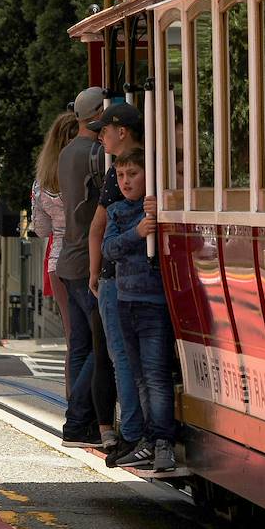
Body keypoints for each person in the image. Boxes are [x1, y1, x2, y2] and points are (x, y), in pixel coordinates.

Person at [102, 149, 178, 474]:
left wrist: (152, 220)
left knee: (156, 375)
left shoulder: (157, 207)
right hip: (125, 301)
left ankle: (163, 443)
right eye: (120, 176)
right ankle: (149, 439)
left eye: (132, 174)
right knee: (140, 377)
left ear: (148, 175)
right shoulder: (118, 211)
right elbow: (109, 248)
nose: (125, 181)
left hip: (153, 303)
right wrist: (137, 232)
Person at [86, 100, 146, 463]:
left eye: (104, 131)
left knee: (119, 355)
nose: (101, 138)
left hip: (114, 275)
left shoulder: (117, 173)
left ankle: (130, 434)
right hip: (140, 277)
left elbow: (98, 227)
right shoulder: (145, 166)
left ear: (121, 131)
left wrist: (94, 273)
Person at [55, 86, 110, 447]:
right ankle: (78, 419)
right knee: (100, 343)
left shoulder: (64, 153)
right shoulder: (96, 154)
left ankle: (77, 420)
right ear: (98, 117)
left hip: (67, 258)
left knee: (79, 345)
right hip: (87, 259)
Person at [31, 111, 81, 336]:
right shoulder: (84, 172)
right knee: (91, 337)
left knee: (72, 338)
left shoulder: (41, 183)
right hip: (83, 257)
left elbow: (41, 230)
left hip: (57, 261)